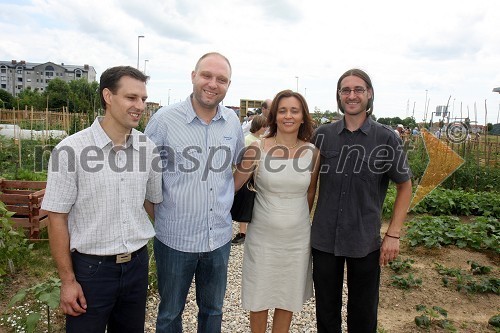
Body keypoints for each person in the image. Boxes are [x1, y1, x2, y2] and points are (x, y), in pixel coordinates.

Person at [41, 66, 163, 333]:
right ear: (108, 96)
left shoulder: (148, 149)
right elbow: (57, 217)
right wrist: (67, 280)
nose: (140, 106)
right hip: (91, 271)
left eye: (143, 99)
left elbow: (152, 204)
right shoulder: (71, 150)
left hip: (137, 265)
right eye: (131, 97)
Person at [144, 52, 245, 333]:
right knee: (169, 314)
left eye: (221, 79)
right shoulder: (164, 121)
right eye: (207, 76)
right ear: (193, 76)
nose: (213, 84)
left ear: (228, 85)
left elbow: (235, 171)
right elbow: (145, 179)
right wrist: (163, 218)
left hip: (219, 239)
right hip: (175, 241)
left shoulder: (232, 123)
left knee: (213, 311)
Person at [311, 68, 413, 333]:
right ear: (339, 96)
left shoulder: (386, 138)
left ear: (369, 95)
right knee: (326, 311)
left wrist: (393, 234)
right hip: (324, 238)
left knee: (363, 314)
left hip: (364, 239)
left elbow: (405, 185)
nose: (352, 95)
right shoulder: (322, 135)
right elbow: (308, 185)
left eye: (358, 89)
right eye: (346, 90)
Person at [234, 89, 320, 333]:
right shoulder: (257, 149)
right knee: (259, 294)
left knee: (287, 295)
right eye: (282, 111)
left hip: (297, 238)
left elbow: (310, 193)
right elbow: (232, 187)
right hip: (262, 236)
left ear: (303, 116)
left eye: (294, 110)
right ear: (274, 116)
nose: (288, 116)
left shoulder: (313, 153)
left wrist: (298, 220)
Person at [232, 114, 268, 245]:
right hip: (248, 180)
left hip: (256, 179)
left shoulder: (260, 139)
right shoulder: (249, 140)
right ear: (258, 126)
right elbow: (242, 161)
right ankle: (242, 232)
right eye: (264, 126)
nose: (266, 128)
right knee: (245, 205)